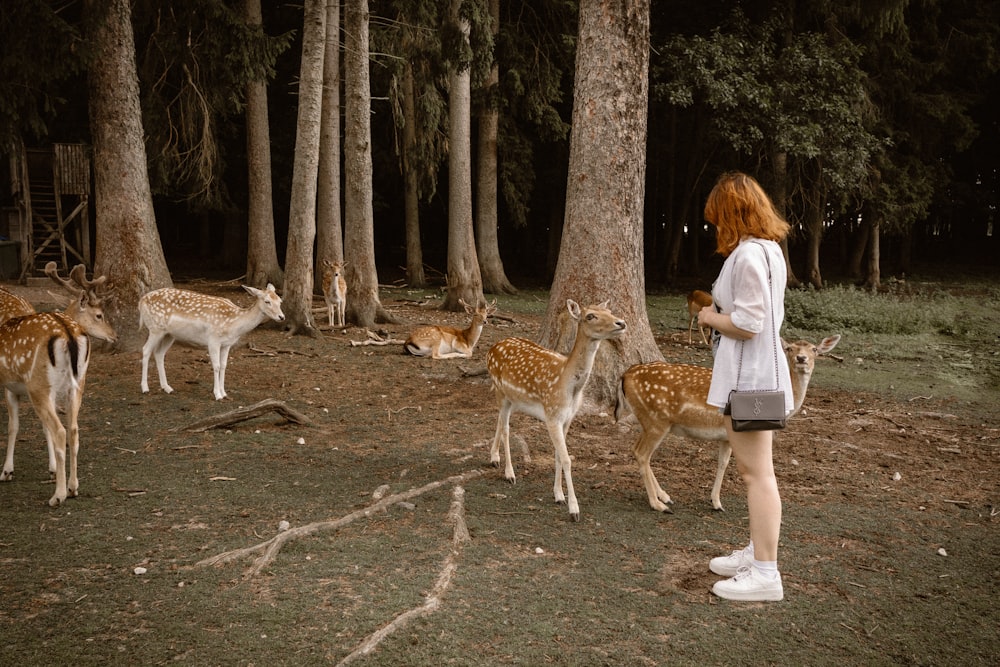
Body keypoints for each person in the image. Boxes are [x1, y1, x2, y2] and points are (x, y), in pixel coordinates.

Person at [697, 171, 793, 602]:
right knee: (755, 472)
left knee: (757, 475)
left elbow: (750, 324)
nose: (715, 226)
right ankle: (757, 551)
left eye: (718, 218)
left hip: (752, 382)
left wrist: (709, 317)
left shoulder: (749, 257)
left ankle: (765, 573)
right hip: (760, 377)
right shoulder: (770, 251)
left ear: (734, 214)